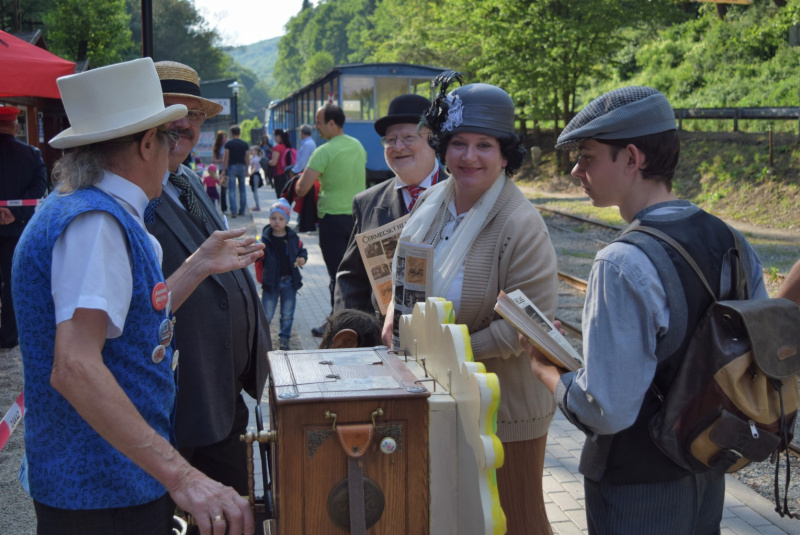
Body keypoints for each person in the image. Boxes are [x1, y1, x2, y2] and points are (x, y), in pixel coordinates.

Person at [12, 57, 262, 535]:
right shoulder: (96, 223)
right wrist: (184, 476)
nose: (174, 151)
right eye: (167, 138)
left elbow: (139, 318)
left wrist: (199, 264)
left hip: (111, 486)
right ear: (147, 143)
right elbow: (76, 367)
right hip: (104, 495)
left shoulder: (92, 210)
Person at [522, 86, 768, 535]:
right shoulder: (733, 241)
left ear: (632, 158)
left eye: (587, 156)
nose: (576, 170)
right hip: (705, 469)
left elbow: (608, 409)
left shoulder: (621, 262)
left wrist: (546, 370)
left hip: (636, 487)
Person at [382, 77, 558, 534]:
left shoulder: (519, 224)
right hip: (435, 394)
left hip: (503, 409)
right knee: (452, 518)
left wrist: (440, 356)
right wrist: (392, 318)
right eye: (458, 143)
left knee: (515, 519)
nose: (469, 156)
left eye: (485, 144)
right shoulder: (435, 206)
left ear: (505, 154)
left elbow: (523, 329)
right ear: (442, 147)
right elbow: (406, 279)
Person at [150, 60, 271, 504]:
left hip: (223, 387)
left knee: (232, 511)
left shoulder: (185, 178)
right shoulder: (135, 193)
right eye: (173, 109)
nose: (185, 122)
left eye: (195, 115)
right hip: (181, 399)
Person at [334, 94, 441, 317]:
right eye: (390, 140)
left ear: (434, 140)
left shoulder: (462, 195)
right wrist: (352, 332)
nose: (398, 146)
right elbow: (351, 278)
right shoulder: (367, 203)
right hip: (384, 337)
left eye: (408, 137)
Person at [295, 103, 367, 336]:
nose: (316, 127)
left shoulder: (323, 151)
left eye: (318, 122)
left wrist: (298, 182)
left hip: (332, 221)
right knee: (357, 273)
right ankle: (359, 321)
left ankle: (336, 326)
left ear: (332, 123)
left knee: (337, 275)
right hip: (358, 218)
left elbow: (302, 189)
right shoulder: (358, 146)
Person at [0, 105, 47, 349]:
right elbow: (39, 188)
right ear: (15, 126)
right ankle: (8, 336)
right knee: (11, 282)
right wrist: (14, 212)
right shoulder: (31, 154)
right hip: (16, 229)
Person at [255, 199, 307, 351]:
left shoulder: (293, 238)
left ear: (287, 220)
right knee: (267, 314)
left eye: (281, 218)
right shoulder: (264, 238)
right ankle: (261, 338)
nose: (276, 222)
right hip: (271, 282)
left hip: (290, 282)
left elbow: (301, 250)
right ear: (269, 219)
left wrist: (303, 257)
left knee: (287, 313)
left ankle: (284, 338)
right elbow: (257, 254)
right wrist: (255, 251)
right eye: (273, 218)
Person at [221, 124, 249, 218]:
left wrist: (224, 170)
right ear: (239, 133)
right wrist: (247, 169)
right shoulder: (244, 144)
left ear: (231, 133)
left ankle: (234, 211)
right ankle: (242, 211)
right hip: (242, 167)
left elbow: (226, 157)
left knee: (232, 190)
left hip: (232, 167)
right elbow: (247, 157)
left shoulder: (228, 143)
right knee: (242, 190)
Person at [268, 128, 294, 196]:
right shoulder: (288, 146)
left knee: (280, 195)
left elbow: (274, 162)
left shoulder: (277, 148)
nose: (274, 138)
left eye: (274, 136)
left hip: (278, 174)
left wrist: (267, 162)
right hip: (287, 174)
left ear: (278, 136)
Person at [212, 130, 228, 213]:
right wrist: (223, 160)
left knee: (231, 188)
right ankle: (224, 208)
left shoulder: (228, 146)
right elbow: (214, 160)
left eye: (226, 137)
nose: (225, 139)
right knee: (223, 189)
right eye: (223, 137)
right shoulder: (217, 148)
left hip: (230, 168)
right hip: (222, 169)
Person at [248, 146, 262, 212]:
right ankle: (256, 205)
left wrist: (249, 174)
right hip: (255, 175)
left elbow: (254, 168)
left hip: (255, 175)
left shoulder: (255, 159)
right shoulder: (254, 158)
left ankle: (258, 206)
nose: (251, 151)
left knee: (255, 191)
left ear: (256, 151)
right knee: (254, 191)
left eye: (252, 150)